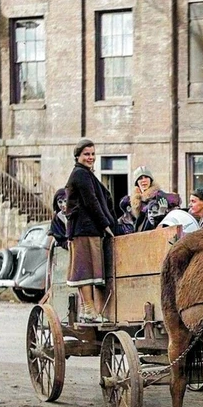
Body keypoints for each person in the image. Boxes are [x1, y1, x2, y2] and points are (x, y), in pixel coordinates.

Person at [65, 138, 116, 322]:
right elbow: (91, 202)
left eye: (93, 154)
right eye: (87, 154)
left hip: (87, 228)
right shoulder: (80, 175)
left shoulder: (86, 174)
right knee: (85, 270)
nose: (91, 157)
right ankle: (88, 309)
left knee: (90, 269)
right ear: (78, 156)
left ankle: (90, 310)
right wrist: (106, 225)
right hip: (83, 229)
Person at [130, 166, 174, 232]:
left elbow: (166, 224)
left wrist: (162, 213)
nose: (144, 180)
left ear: (150, 180)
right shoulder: (135, 201)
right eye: (140, 178)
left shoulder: (159, 196)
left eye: (146, 177)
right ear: (137, 183)